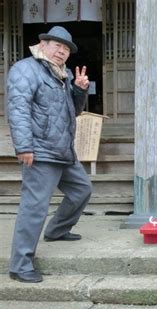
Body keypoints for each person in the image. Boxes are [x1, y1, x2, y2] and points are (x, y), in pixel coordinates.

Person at [7, 26, 92, 283]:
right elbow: (18, 109)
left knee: (82, 190)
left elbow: (73, 111)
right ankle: (20, 265)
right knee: (34, 208)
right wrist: (24, 147)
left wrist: (79, 90)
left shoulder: (62, 74)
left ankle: (56, 230)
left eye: (66, 48)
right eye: (57, 45)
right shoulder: (25, 69)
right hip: (40, 151)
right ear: (42, 44)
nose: (62, 51)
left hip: (63, 150)